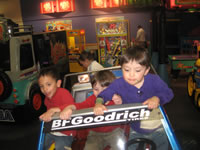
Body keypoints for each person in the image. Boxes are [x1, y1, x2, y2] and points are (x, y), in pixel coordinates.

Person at [94, 46, 174, 150]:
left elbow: (168, 92)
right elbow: (105, 93)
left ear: (146, 71)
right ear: (121, 68)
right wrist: (99, 103)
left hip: (158, 128)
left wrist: (157, 98)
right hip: (136, 129)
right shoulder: (119, 83)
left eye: (137, 70)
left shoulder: (154, 80)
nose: (131, 75)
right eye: (126, 70)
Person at [59, 70, 127, 150]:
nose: (100, 93)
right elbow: (80, 106)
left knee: (121, 147)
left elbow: (130, 105)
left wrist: (122, 102)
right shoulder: (92, 99)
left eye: (104, 89)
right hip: (95, 134)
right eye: (96, 89)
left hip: (115, 131)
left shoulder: (117, 98)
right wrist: (69, 108)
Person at [38, 66, 76, 150]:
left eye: (48, 84)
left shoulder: (64, 93)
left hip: (65, 132)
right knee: (41, 144)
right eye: (41, 86)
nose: (45, 89)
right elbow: (49, 113)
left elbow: (72, 106)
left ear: (58, 83)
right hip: (53, 130)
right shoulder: (47, 99)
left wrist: (53, 110)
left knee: (60, 147)